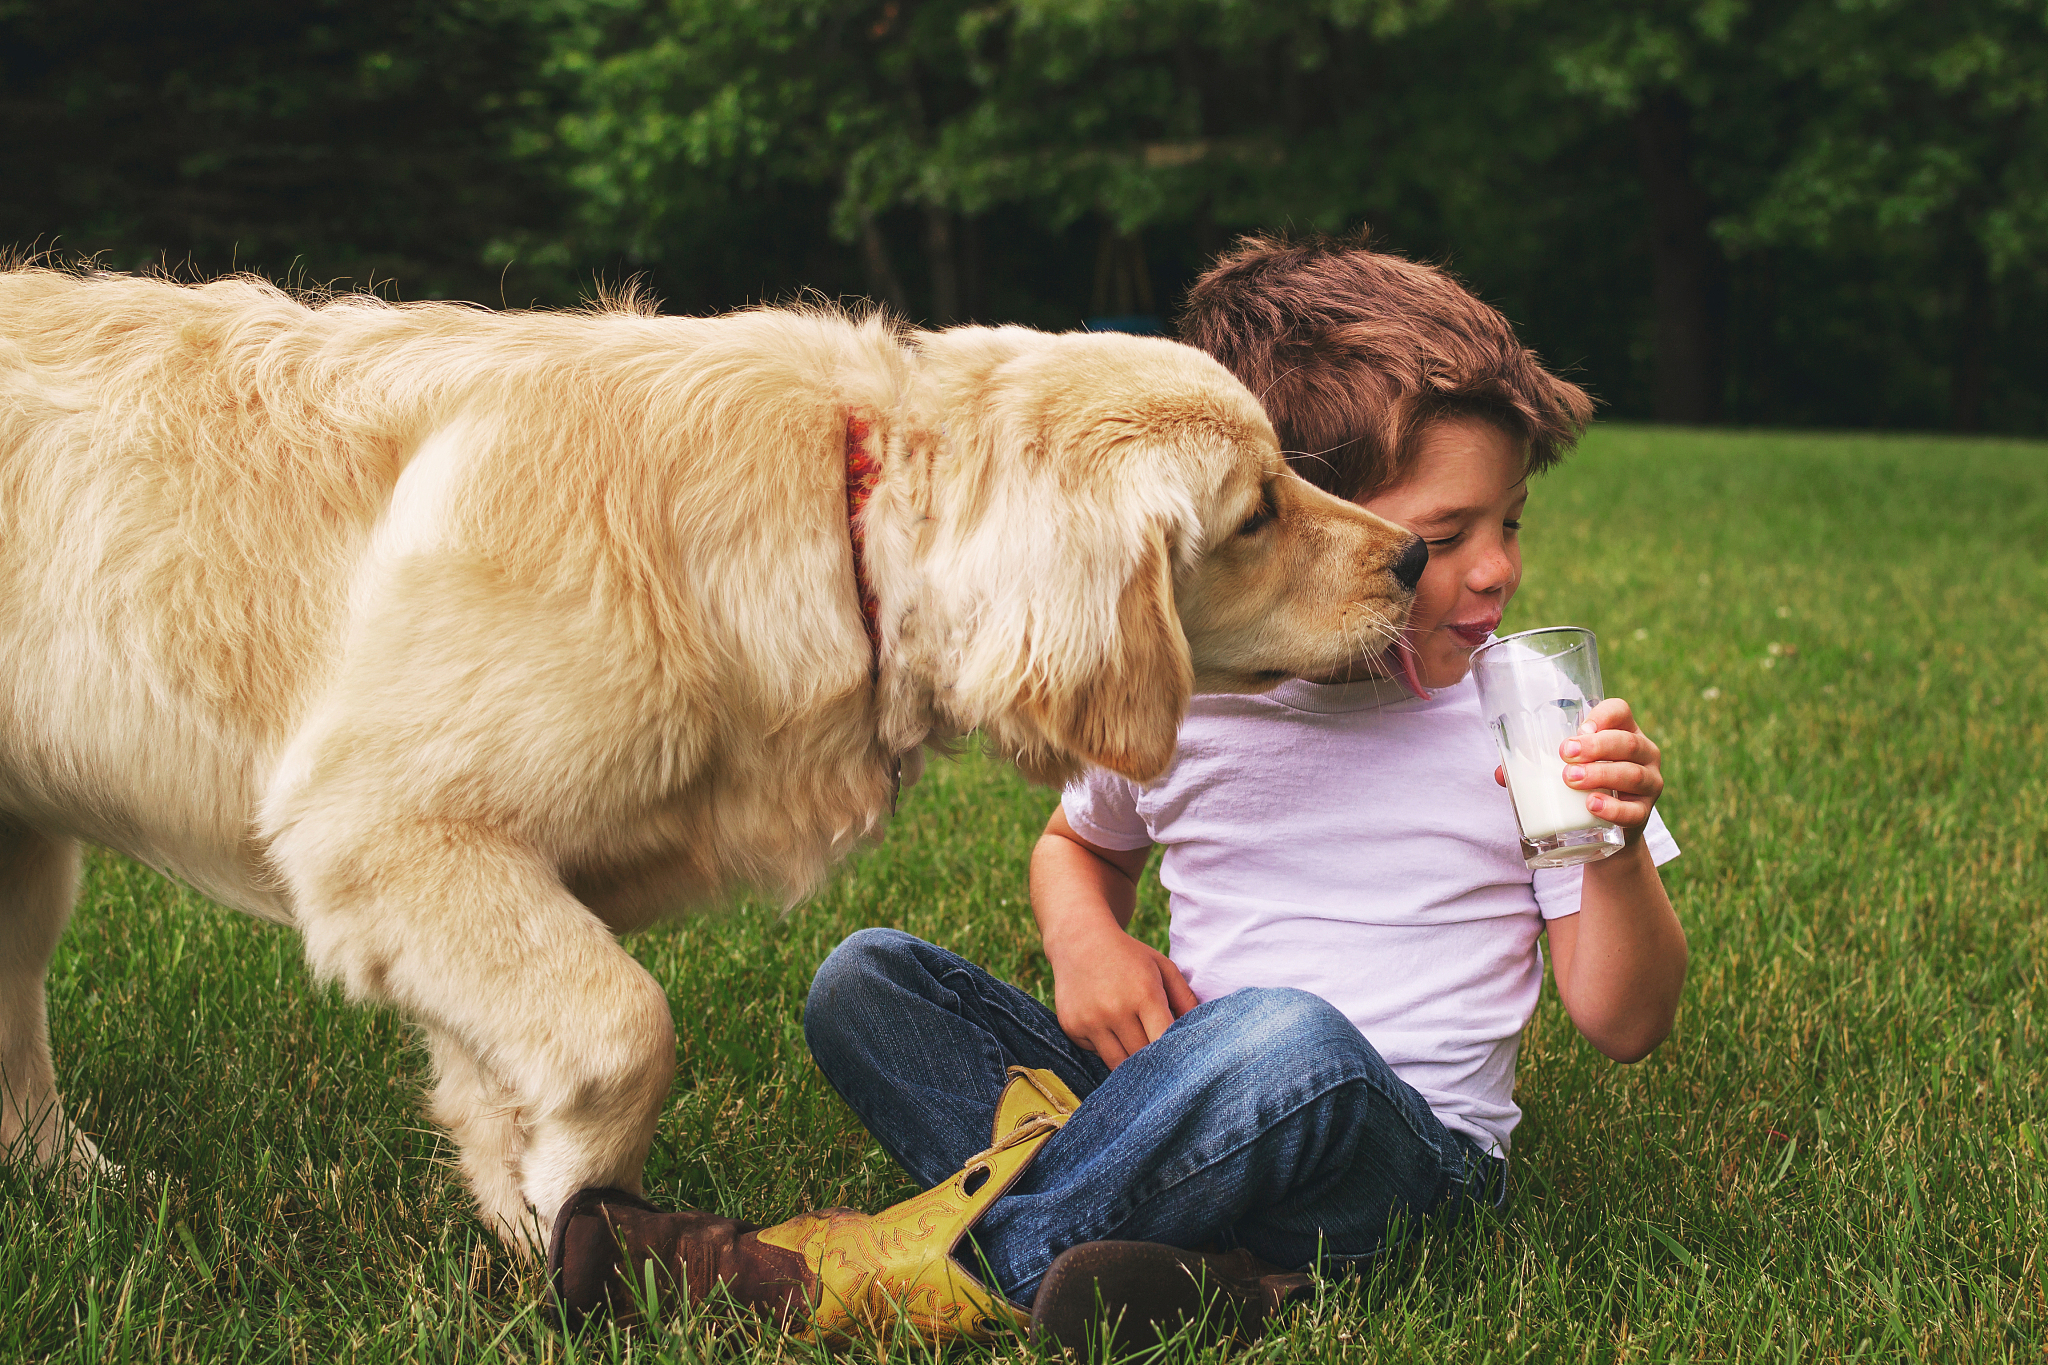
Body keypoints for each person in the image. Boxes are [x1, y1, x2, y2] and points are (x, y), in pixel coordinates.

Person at [547, 233, 1689, 1351]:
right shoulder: (1191, 689)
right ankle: (1213, 1282)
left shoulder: (1526, 704)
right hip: (1174, 1102)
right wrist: (1086, 941)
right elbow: (1075, 844)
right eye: (1439, 539)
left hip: (1398, 1166)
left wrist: (1615, 846)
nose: (1494, 569)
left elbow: (1620, 1019)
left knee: (1289, 1041)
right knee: (868, 981)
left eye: (1508, 525)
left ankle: (844, 1278)